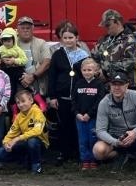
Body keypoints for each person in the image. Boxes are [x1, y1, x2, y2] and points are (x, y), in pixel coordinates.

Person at [92, 69, 136, 176]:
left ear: (127, 85)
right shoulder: (104, 103)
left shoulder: (135, 95)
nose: (117, 88)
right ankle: (120, 155)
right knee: (98, 151)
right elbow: (100, 131)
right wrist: (115, 142)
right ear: (110, 86)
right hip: (117, 137)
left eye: (120, 84)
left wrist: (135, 132)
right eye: (114, 84)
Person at [47, 21, 89, 164]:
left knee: (78, 125)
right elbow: (52, 76)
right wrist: (52, 96)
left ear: (77, 38)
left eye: (71, 37)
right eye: (65, 38)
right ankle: (64, 153)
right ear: (61, 39)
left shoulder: (83, 55)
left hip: (79, 97)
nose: (68, 40)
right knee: (64, 125)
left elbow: (87, 75)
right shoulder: (58, 54)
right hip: (62, 97)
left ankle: (78, 152)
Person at [0, 88, 48, 174]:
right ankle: (25, 160)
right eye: (18, 103)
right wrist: (6, 144)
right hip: (25, 142)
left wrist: (17, 139)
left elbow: (37, 131)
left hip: (40, 143)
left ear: (31, 100)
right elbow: (10, 134)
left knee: (32, 141)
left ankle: (37, 165)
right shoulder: (19, 117)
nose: (21, 105)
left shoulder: (37, 112)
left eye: (23, 101)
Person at [73, 56, 106, 171]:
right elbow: (74, 100)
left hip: (93, 118)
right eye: (84, 70)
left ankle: (93, 160)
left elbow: (99, 101)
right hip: (80, 118)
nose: (87, 72)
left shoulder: (99, 84)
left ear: (95, 71)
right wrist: (77, 113)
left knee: (93, 139)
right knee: (83, 140)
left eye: (90, 70)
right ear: (81, 71)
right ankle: (85, 160)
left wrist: (89, 114)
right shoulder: (78, 83)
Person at [94, 10, 136, 84]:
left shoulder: (129, 40)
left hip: (124, 84)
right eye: (105, 25)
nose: (106, 28)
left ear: (117, 22)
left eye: (108, 25)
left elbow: (131, 62)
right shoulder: (104, 40)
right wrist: (96, 70)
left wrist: (105, 70)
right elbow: (94, 56)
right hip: (105, 84)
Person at [16, 15, 53, 94]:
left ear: (33, 29)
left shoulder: (41, 43)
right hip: (19, 84)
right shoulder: (13, 43)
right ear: (17, 29)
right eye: (23, 28)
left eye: (28, 28)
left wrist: (33, 76)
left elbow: (47, 62)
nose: (25, 30)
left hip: (38, 83)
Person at [0, 27, 27, 94]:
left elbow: (24, 60)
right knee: (11, 89)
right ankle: (12, 100)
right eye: (4, 41)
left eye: (9, 41)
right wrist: (2, 60)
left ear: (14, 40)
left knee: (26, 83)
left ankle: (36, 96)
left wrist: (14, 60)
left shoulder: (18, 49)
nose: (7, 43)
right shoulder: (0, 49)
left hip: (17, 70)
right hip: (6, 71)